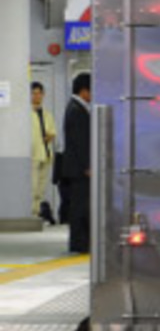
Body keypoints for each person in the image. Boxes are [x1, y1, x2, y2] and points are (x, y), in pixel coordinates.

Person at [61, 73, 91, 254]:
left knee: (80, 205)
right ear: (84, 90)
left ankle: (80, 242)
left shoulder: (75, 108)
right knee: (80, 207)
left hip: (76, 168)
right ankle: (79, 243)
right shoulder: (76, 110)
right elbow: (81, 142)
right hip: (80, 169)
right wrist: (88, 165)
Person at [30, 81, 57, 225]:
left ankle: (38, 214)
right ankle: (32, 214)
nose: (37, 96)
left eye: (39, 93)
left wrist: (50, 136)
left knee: (41, 188)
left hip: (46, 155)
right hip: (33, 155)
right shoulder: (26, 114)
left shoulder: (47, 114)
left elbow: (52, 132)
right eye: (34, 93)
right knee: (33, 188)